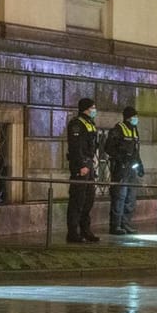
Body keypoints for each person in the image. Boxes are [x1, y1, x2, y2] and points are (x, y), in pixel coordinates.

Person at [65, 98, 100, 243]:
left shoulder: (90, 123)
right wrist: (81, 165)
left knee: (88, 199)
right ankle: (73, 232)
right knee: (77, 200)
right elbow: (75, 147)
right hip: (81, 165)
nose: (94, 110)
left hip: (89, 163)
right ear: (86, 108)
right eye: (93, 107)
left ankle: (86, 230)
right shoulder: (77, 124)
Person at [105, 105, 143, 234]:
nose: (136, 119)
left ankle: (125, 224)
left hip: (131, 169)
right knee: (119, 197)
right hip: (120, 168)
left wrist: (140, 165)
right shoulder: (117, 129)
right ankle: (115, 225)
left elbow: (136, 151)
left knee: (130, 198)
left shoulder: (134, 130)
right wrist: (121, 158)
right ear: (128, 117)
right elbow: (108, 148)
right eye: (134, 117)